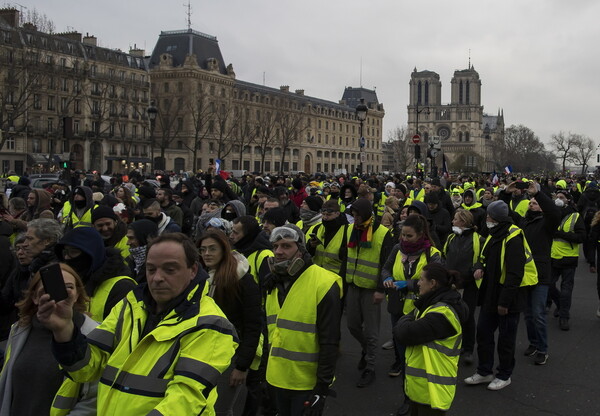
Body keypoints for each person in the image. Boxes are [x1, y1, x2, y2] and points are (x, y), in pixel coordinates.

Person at [37, 233, 239, 415]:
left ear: (193, 269)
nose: (157, 278)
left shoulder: (211, 324)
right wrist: (64, 330)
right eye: (151, 269)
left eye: (170, 269)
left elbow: (185, 400)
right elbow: (86, 369)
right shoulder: (130, 305)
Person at [264, 224, 341, 416]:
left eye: (286, 246)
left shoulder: (323, 283)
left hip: (306, 384)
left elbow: (330, 340)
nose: (279, 252)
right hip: (276, 378)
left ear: (301, 249)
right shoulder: (273, 282)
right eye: (275, 247)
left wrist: (322, 387)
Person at [0, 263, 97, 415]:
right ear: (35, 297)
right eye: (47, 290)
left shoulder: (94, 333)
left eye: (69, 288)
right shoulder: (19, 330)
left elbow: (92, 401)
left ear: (77, 294)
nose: (60, 294)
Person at [465, 200, 537, 391]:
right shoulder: (492, 234)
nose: (486, 219)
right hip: (490, 295)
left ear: (496, 218)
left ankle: (504, 375)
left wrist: (504, 303)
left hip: (508, 298)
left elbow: (515, 274)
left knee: (506, 339)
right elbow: (483, 258)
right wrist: (479, 267)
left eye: (489, 216)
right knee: (484, 334)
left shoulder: (513, 237)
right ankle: (484, 371)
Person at [198, 230, 262, 416]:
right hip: (202, 351)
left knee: (221, 408)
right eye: (203, 250)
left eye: (212, 249)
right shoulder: (202, 278)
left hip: (231, 354)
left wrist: (241, 366)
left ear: (224, 250)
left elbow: (253, 326)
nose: (207, 254)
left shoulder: (243, 281)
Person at [394, 264, 468, 416]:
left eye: (421, 279)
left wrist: (409, 316)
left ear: (433, 283)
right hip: (422, 390)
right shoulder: (434, 304)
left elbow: (402, 333)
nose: (418, 283)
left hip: (431, 394)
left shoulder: (441, 314)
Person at [381, 214, 442, 383]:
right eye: (403, 235)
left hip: (419, 308)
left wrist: (408, 284)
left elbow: (435, 282)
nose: (405, 239)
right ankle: (400, 362)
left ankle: (413, 374)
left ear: (421, 234)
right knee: (397, 337)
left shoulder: (432, 254)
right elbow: (385, 268)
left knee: (414, 344)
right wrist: (386, 278)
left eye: (409, 236)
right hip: (396, 304)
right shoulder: (397, 249)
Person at [345, 198, 394, 388]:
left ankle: (370, 367)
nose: (354, 219)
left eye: (357, 215)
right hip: (353, 285)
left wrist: (381, 289)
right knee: (352, 326)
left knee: (372, 332)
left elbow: (386, 264)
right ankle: (366, 349)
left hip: (371, 289)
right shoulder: (350, 230)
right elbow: (346, 257)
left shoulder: (382, 234)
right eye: (353, 215)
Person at [54, 227, 136, 322]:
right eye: (65, 252)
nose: (67, 257)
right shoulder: (72, 282)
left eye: (73, 252)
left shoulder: (122, 287)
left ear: (91, 254)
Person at [442, 209, 482, 365]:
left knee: (467, 317)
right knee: (450, 316)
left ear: (464, 222)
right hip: (451, 284)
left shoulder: (478, 239)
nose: (453, 221)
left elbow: (481, 259)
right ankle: (453, 345)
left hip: (469, 285)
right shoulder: (451, 238)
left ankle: (468, 349)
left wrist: (476, 269)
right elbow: (445, 257)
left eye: (456, 219)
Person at [549, 190, 586, 331]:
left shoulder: (576, 216)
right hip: (553, 256)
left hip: (569, 258)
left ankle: (564, 317)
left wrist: (561, 235)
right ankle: (560, 305)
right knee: (549, 286)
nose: (558, 199)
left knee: (566, 290)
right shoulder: (552, 214)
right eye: (556, 197)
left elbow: (581, 237)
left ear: (568, 200)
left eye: (561, 197)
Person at [126, 219, 159, 283]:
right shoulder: (129, 261)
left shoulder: (159, 262)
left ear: (144, 238)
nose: (128, 243)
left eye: (131, 238)